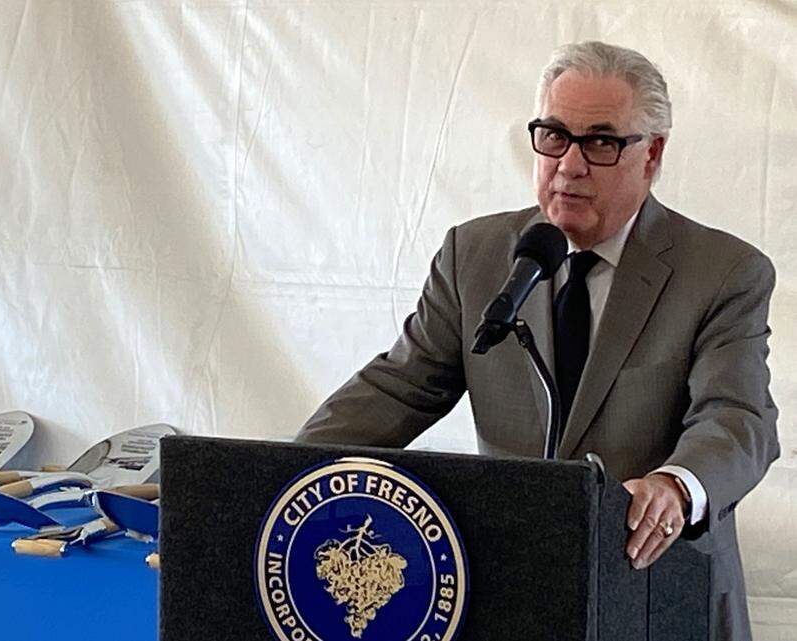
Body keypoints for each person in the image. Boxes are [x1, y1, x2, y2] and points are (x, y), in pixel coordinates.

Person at [296, 41, 778, 640]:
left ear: (651, 155)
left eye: (601, 143)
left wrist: (677, 484)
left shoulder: (723, 272)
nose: (569, 165)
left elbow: (738, 418)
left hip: (658, 596)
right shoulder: (474, 256)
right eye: (553, 135)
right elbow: (396, 389)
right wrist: (272, 474)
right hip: (516, 594)